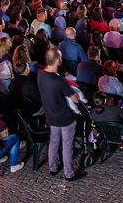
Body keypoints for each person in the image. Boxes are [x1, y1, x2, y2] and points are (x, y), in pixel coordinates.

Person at [36, 49, 81, 180]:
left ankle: (53, 168)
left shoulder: (40, 74)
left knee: (54, 142)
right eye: (60, 58)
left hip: (50, 115)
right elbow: (75, 99)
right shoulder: (59, 81)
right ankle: (68, 173)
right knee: (67, 145)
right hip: (65, 117)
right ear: (57, 61)